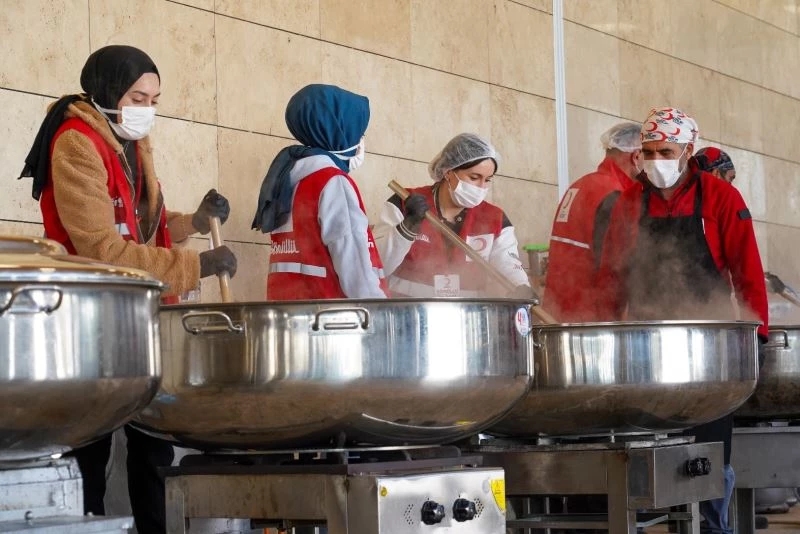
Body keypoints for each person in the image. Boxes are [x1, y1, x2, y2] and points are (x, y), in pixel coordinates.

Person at [19, 45, 237, 534]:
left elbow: (141, 227)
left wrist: (196, 222)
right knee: (88, 450)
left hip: (136, 320)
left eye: (155, 100)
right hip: (86, 321)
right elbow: (102, 250)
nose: (147, 110)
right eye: (138, 97)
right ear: (108, 91)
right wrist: (196, 265)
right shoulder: (76, 144)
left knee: (153, 446)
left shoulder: (128, 141)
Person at [596, 107, 769, 534]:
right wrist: (601, 331)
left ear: (687, 150)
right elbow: (611, 276)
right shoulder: (629, 203)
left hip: (709, 345)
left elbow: (747, 269)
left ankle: (714, 526)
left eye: (665, 151)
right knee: (645, 443)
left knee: (711, 446)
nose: (655, 161)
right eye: (649, 152)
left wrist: (757, 335)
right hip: (645, 346)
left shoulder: (721, 197)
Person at [252, 83, 388, 299]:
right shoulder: (333, 183)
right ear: (340, 131)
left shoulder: (289, 180)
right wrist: (383, 317)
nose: (361, 141)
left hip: (291, 321)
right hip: (335, 324)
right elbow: (355, 270)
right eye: (359, 132)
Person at [374, 133, 532, 298]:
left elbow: (507, 263)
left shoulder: (495, 219)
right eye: (474, 177)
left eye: (487, 180)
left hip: (470, 314)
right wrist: (407, 227)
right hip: (406, 309)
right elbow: (377, 265)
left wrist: (521, 286)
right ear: (448, 172)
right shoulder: (405, 202)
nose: (481, 187)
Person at [543, 122, 642, 321]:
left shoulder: (580, 185)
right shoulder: (615, 195)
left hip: (557, 311)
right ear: (637, 156)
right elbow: (615, 266)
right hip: (590, 318)